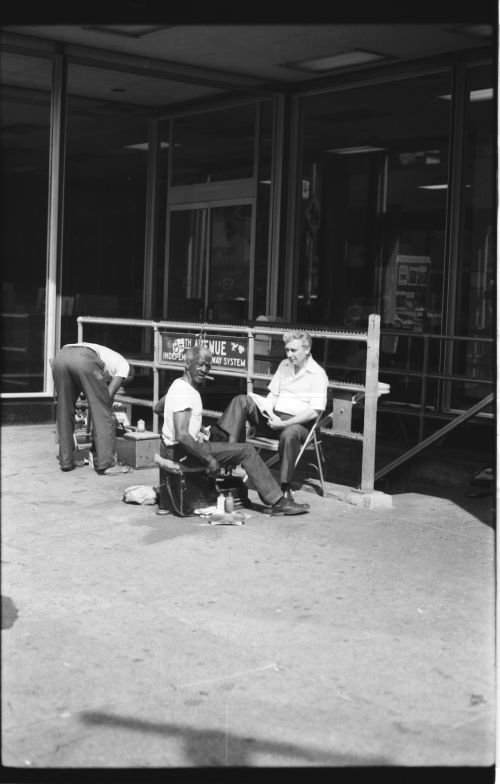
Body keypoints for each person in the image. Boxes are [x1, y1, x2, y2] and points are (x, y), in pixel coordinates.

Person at [156, 345, 308, 515]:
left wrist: (195, 427)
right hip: (183, 453)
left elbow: (158, 408)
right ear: (187, 364)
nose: (204, 369)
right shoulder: (184, 391)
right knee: (247, 451)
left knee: (220, 435)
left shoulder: (177, 386)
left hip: (174, 449)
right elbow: (182, 435)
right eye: (199, 364)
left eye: (208, 365)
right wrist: (209, 459)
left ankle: (233, 469)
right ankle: (279, 501)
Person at [216, 330, 328, 498]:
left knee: (290, 434)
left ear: (306, 350)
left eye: (293, 350)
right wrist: (265, 411)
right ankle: (229, 460)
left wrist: (283, 424)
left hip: (299, 426)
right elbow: (273, 396)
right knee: (242, 400)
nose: (289, 354)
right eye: (287, 350)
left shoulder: (317, 374)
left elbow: (314, 411)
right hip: (275, 418)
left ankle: (283, 488)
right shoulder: (284, 365)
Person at [52, 342, 135, 475]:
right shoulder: (124, 366)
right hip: (84, 358)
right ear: (129, 374)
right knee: (103, 412)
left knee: (64, 408)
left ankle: (66, 461)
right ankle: (107, 463)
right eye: (124, 381)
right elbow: (107, 397)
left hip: (61, 357)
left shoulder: (108, 358)